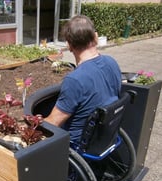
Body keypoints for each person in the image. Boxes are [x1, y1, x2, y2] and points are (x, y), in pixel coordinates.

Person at [45, 15, 122, 148]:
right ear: (96, 37)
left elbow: (53, 123)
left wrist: (32, 123)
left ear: (69, 45)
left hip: (78, 142)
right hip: (103, 132)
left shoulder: (75, 80)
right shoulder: (112, 62)